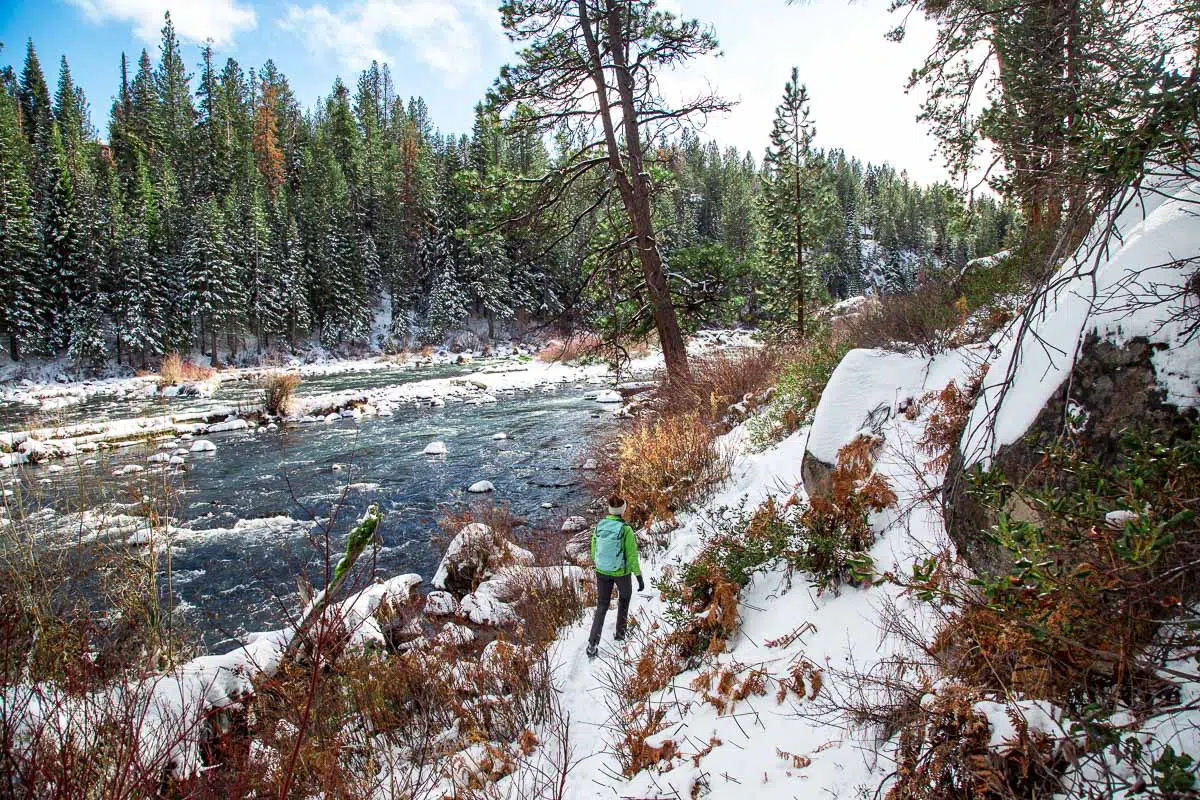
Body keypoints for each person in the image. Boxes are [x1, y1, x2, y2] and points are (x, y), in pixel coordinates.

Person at [586, 495, 643, 659]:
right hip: (621, 573)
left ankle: (592, 643)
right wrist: (638, 576)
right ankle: (620, 633)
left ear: (610, 510)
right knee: (624, 599)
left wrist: (601, 565)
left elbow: (593, 551)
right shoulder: (626, 530)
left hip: (602, 571)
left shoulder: (600, 526)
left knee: (602, 605)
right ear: (623, 510)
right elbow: (632, 556)